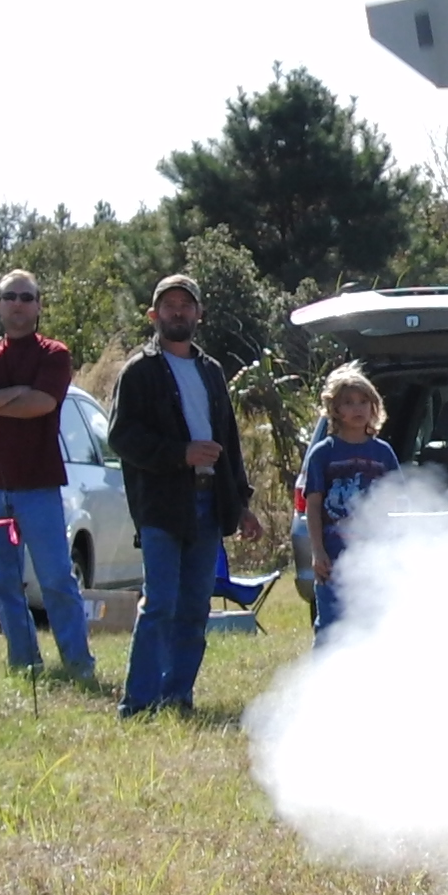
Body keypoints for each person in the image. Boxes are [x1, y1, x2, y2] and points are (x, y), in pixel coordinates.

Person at [107, 273, 262, 717]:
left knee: (195, 608)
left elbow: (229, 441)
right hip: (162, 505)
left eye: (186, 305)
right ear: (153, 315)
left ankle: (177, 697)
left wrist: (241, 502)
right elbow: (122, 437)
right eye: (169, 306)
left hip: (209, 504)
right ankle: (138, 704)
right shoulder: (139, 371)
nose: (178, 313)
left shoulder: (211, 372)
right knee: (160, 605)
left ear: (199, 314)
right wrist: (180, 454)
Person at [0, 269, 97, 681]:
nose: (18, 304)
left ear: (38, 306)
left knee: (55, 579)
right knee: (3, 583)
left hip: (39, 485)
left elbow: (41, 404)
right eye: (10, 297)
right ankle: (24, 662)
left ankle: (78, 663)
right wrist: (16, 393)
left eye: (26, 297)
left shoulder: (54, 353)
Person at [300, 363, 399, 645]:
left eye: (363, 401)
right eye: (348, 402)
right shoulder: (323, 453)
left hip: (373, 558)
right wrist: (318, 552)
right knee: (332, 627)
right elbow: (313, 506)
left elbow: (395, 503)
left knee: (373, 625)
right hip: (333, 558)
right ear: (335, 409)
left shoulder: (383, 453)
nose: (357, 408)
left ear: (374, 406)